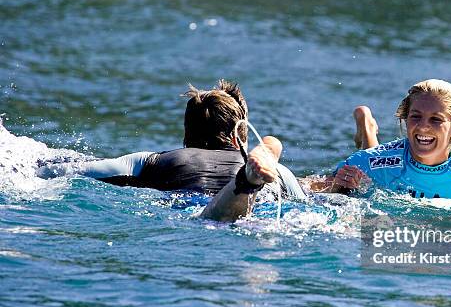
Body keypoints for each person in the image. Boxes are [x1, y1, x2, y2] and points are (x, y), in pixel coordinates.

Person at [36, 80, 306, 220]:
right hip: (262, 214)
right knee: (234, 214)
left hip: (188, 210)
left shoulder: (152, 161)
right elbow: (309, 203)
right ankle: (247, 183)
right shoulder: (277, 170)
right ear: (240, 138)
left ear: (187, 135)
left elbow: (75, 171)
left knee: (208, 219)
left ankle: (245, 184)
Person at [326, 79, 451, 200]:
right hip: (379, 163)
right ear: (406, 120)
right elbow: (310, 188)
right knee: (371, 169)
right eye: (415, 116)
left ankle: (368, 131)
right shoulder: (364, 162)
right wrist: (337, 190)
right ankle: (367, 130)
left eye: (436, 119)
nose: (423, 126)